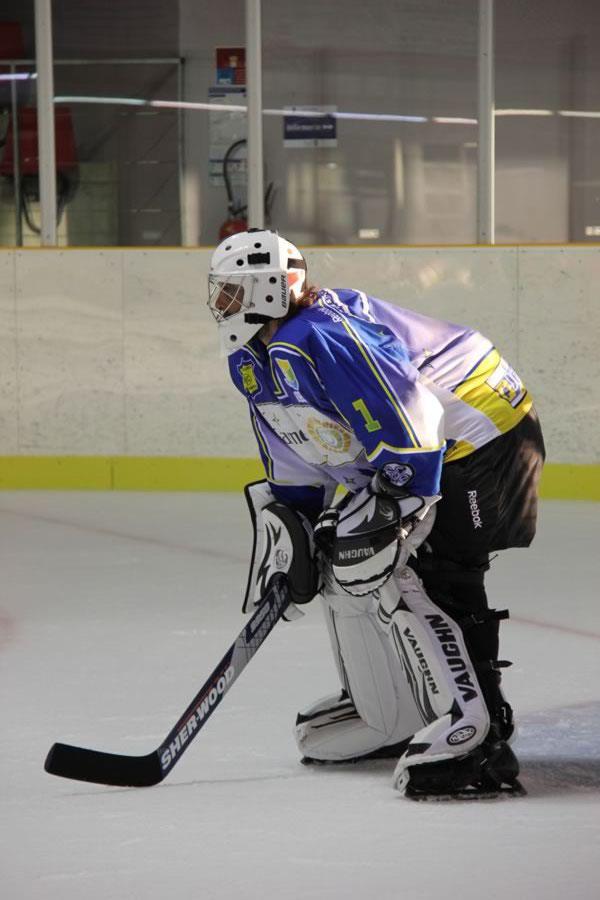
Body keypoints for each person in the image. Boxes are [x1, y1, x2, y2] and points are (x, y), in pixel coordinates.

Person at [207, 228, 545, 800]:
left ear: (269, 290)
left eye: (233, 293)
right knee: (345, 561)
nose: (221, 306)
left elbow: (411, 413)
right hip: (428, 448)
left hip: (481, 438)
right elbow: (296, 456)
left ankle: (475, 736)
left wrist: (395, 506)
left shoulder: (322, 333)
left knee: (418, 573)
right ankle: (394, 709)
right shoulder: (256, 358)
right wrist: (296, 527)